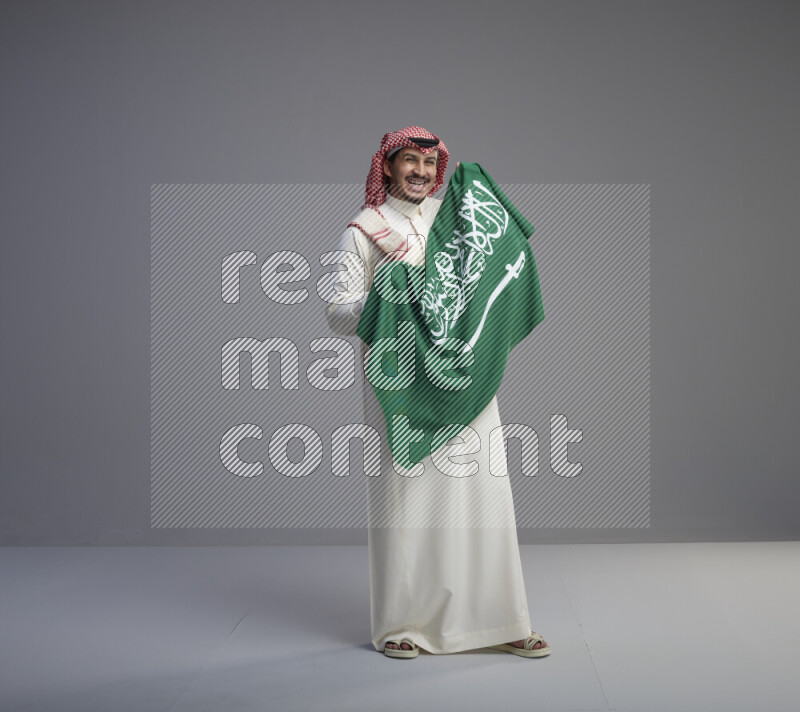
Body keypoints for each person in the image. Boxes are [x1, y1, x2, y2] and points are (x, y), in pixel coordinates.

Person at [322, 126, 550, 659]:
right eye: (409, 161)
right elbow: (336, 312)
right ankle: (403, 626)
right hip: (399, 384)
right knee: (405, 502)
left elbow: (494, 264)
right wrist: (387, 294)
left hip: (465, 375)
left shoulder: (459, 216)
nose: (421, 172)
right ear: (388, 166)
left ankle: (503, 620)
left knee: (485, 495)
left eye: (430, 162)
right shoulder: (363, 230)